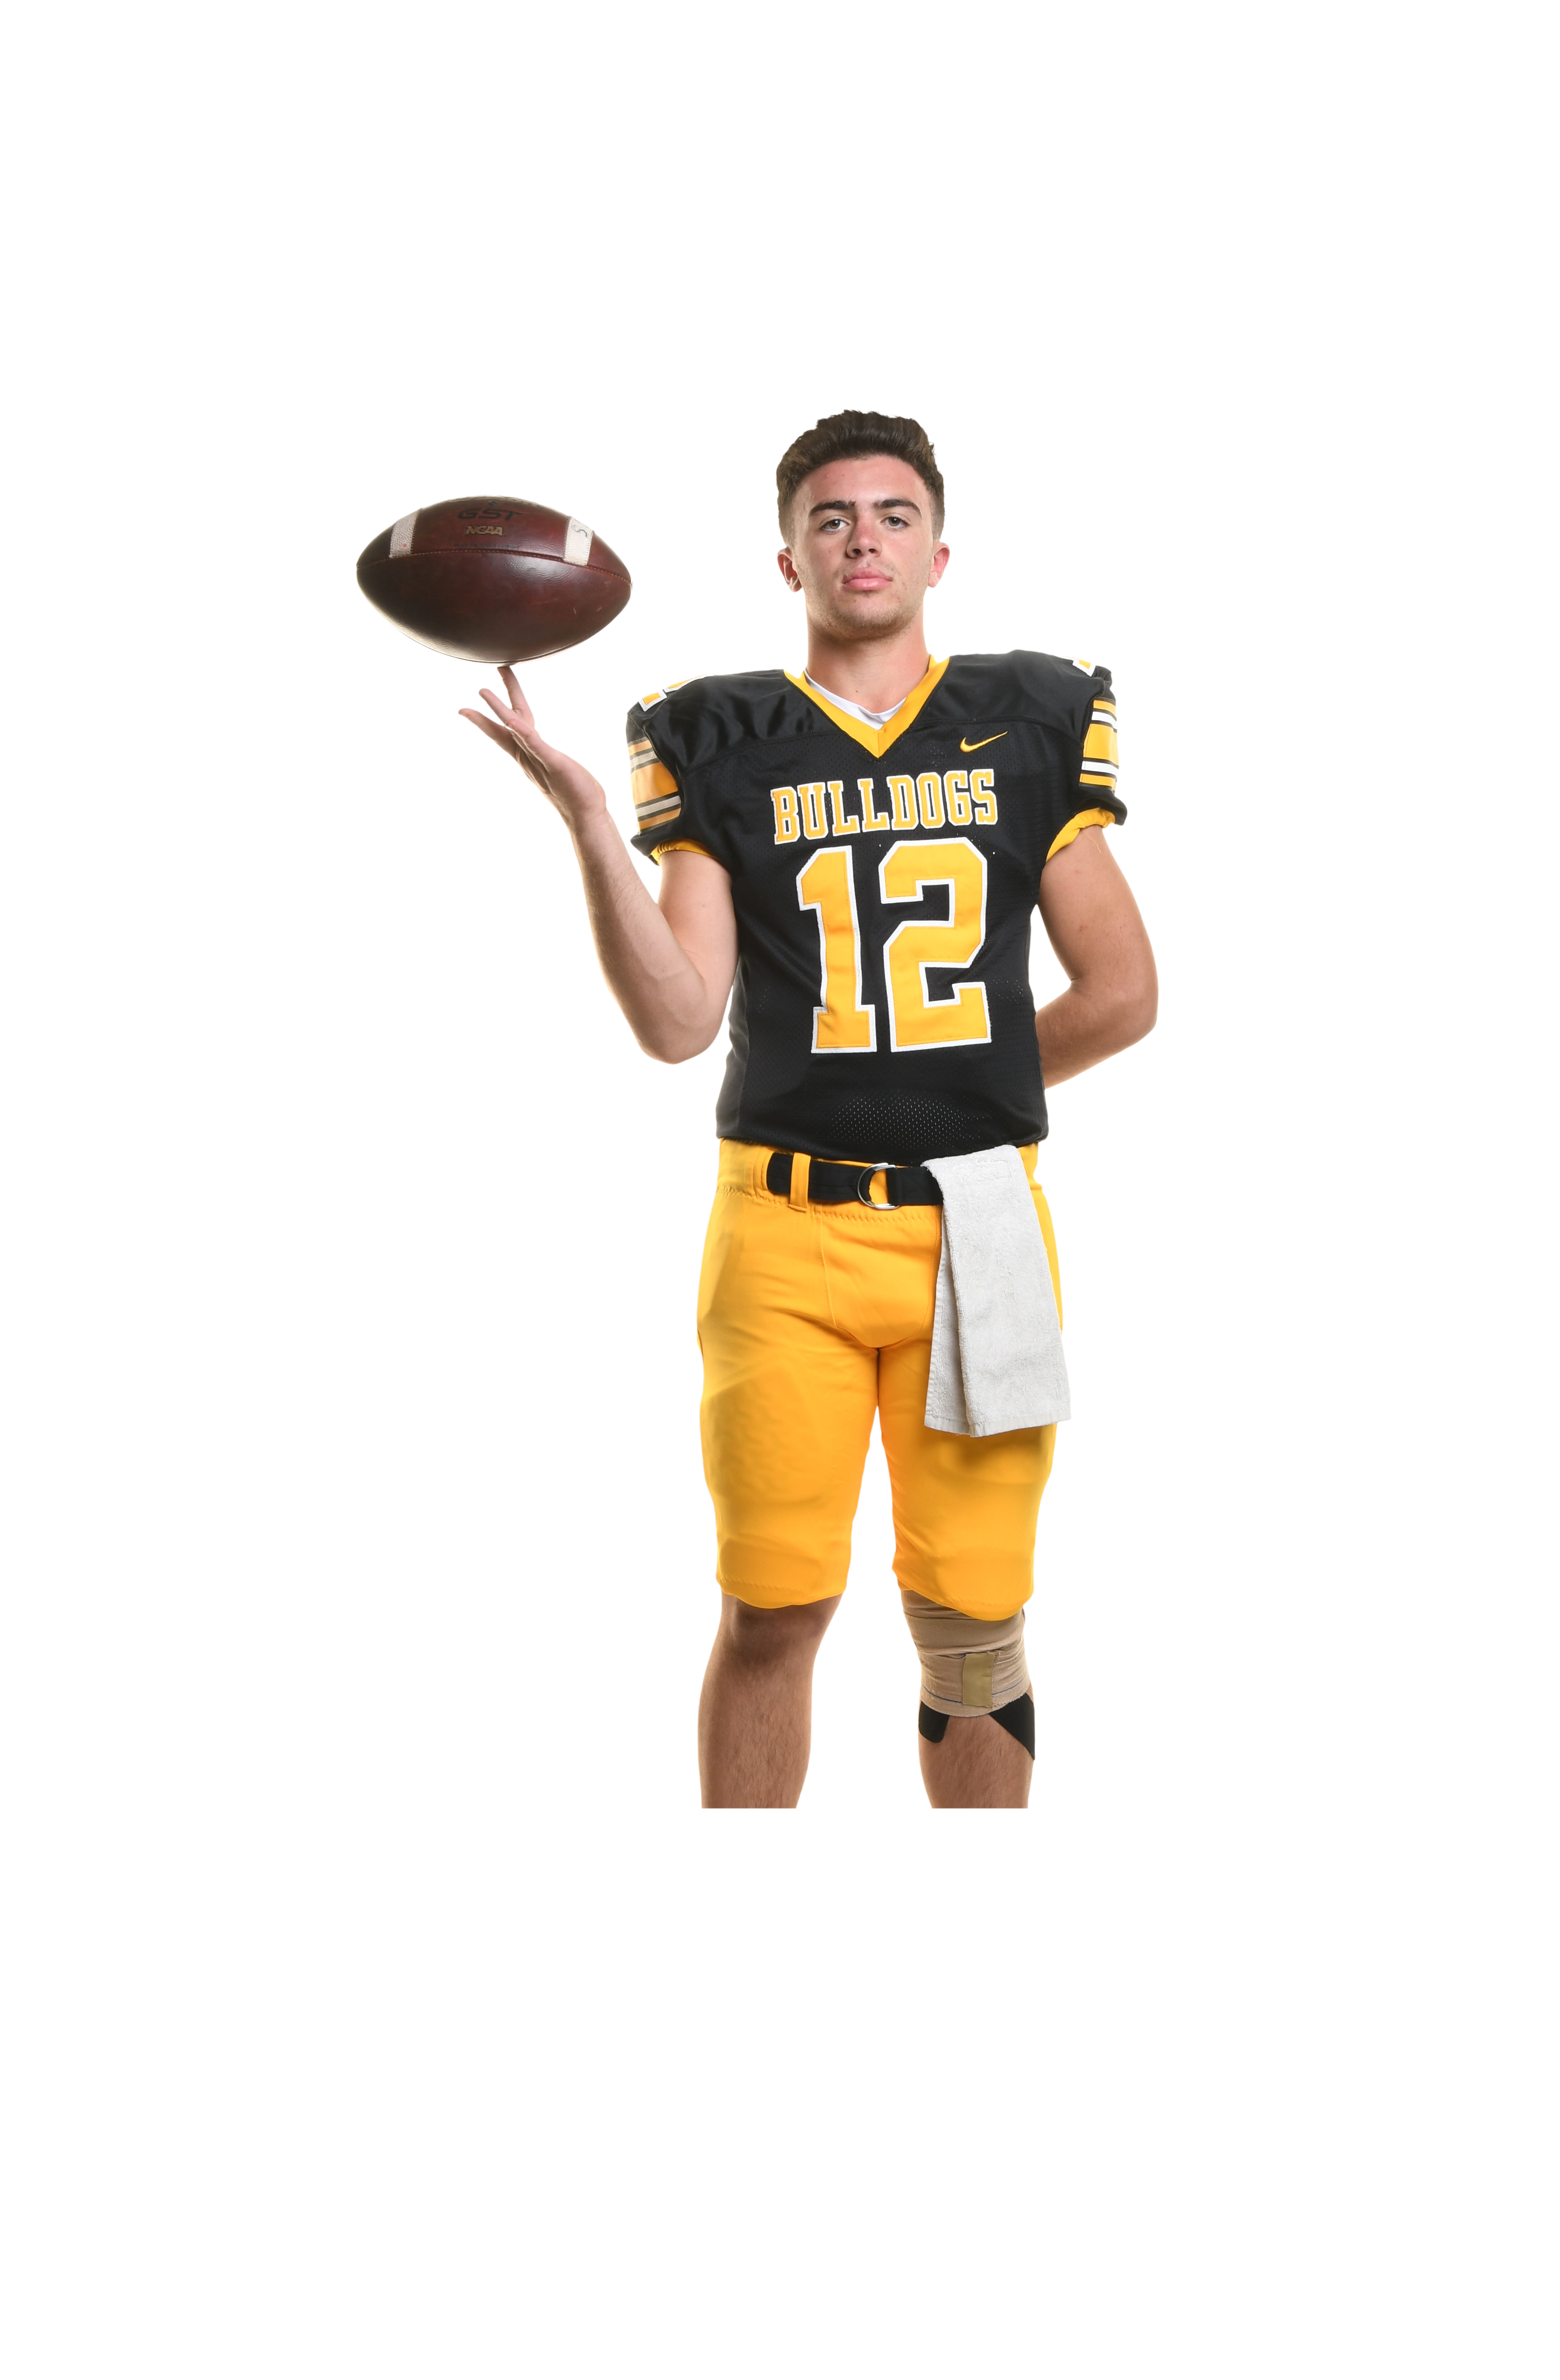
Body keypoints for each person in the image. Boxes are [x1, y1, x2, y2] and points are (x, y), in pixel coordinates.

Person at [461, 402, 1157, 1809]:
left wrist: (947, 1089)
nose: (862, 540)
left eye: (894, 515)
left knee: (975, 1631)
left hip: (977, 1224)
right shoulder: (722, 737)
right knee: (773, 1612)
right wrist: (591, 824)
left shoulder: (1027, 720)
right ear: (789, 559)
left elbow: (1123, 991)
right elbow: (677, 1021)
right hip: (782, 1235)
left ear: (940, 553)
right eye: (829, 518)